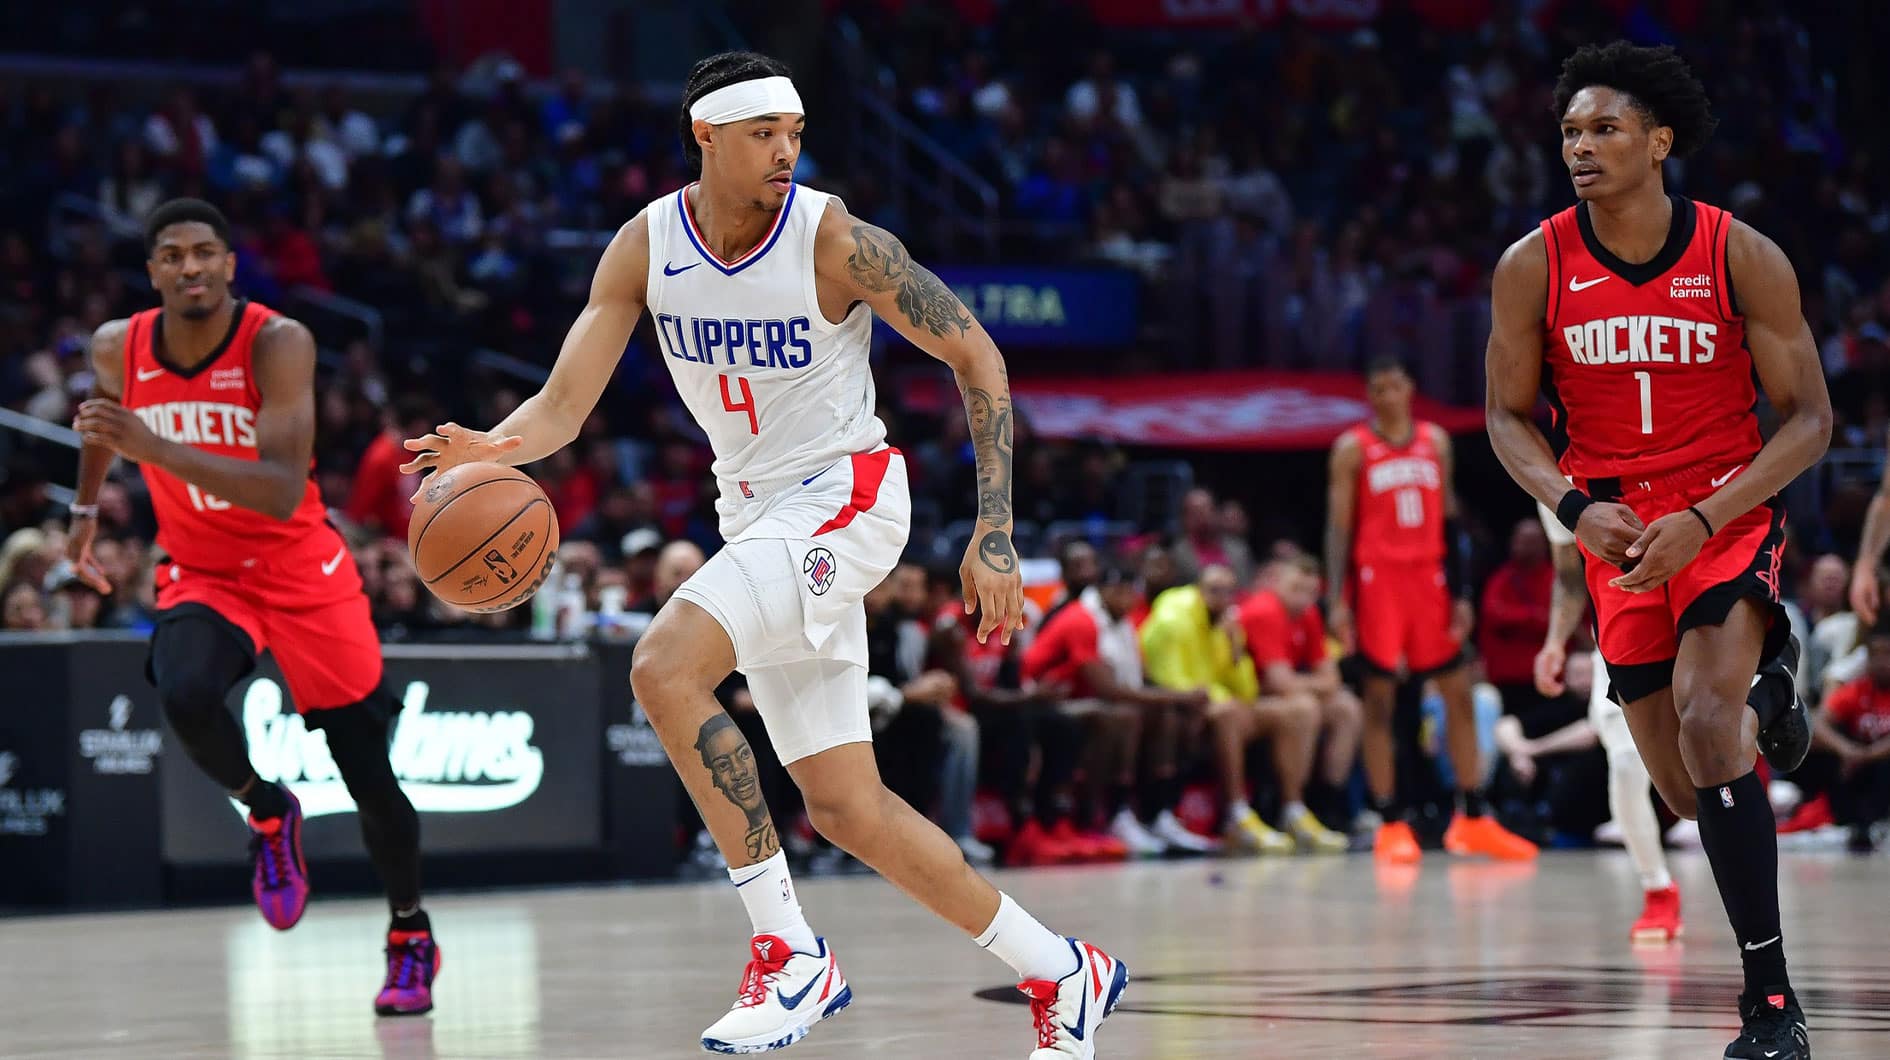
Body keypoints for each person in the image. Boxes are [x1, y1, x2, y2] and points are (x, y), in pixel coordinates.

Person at [399, 52, 1124, 1057]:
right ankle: (1063, 969)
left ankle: (790, 954)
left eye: (793, 130)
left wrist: (993, 530)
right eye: (761, 134)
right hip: (756, 516)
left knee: (664, 665)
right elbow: (564, 405)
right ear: (706, 137)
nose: (785, 149)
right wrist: (491, 447)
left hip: (847, 497)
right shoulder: (644, 247)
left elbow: (976, 354)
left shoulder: (834, 238)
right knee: (848, 809)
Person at [1486, 43, 1824, 1058]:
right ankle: (1779, 692)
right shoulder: (1533, 264)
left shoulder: (1739, 253)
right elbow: (1506, 419)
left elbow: (1809, 420)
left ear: (1660, 142)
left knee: (1709, 724)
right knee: (1684, 790)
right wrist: (1571, 502)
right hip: (1617, 529)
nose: (1581, 148)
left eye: (1606, 130)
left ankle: (1770, 1003)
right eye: (1571, 133)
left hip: (1722, 511)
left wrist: (1714, 515)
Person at [67, 198, 437, 1016]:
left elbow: (277, 490)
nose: (190, 267)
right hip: (205, 569)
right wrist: (86, 513)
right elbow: (101, 423)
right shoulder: (116, 346)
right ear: (154, 269)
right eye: (172, 255)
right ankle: (268, 810)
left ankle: (410, 935)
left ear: (230, 264)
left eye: (205, 252)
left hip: (302, 567)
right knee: (186, 691)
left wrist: (151, 447)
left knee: (371, 778)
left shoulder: (277, 342)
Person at [1327, 358, 1539, 864]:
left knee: (1459, 694)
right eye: (1376, 388)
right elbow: (1338, 530)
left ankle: (1472, 817)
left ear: (1410, 388)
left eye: (1393, 385)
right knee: (1381, 700)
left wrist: (1462, 593)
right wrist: (1337, 600)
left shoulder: (1435, 441)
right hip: (1378, 579)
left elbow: (1450, 522)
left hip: (1430, 578)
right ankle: (1389, 821)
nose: (1386, 396)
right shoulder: (1352, 449)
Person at [1533, 502, 1682, 944]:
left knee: (1717, 756)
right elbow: (1568, 572)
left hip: (1698, 610)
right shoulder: (1555, 477)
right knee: (1624, 763)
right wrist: (1556, 641)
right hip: (1621, 630)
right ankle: (1657, 888)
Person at [1021, 560, 1215, 858]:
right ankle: (1107, 815)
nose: (1128, 600)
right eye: (1120, 592)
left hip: (1083, 699)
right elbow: (1107, 689)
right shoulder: (1081, 620)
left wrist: (1175, 700)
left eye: (1131, 592)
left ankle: (1157, 813)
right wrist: (1178, 696)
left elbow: (1136, 680)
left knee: (1163, 715)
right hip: (1045, 699)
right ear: (1103, 591)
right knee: (1123, 717)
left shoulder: (1123, 624)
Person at [1141, 565, 1329, 854]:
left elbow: (1246, 689)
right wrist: (1223, 699)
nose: (1223, 598)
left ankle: (1293, 809)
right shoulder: (1173, 619)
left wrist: (1235, 649)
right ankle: (1237, 815)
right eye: (1215, 590)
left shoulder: (1225, 623)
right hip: (1181, 707)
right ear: (1197, 590)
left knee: (1297, 710)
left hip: (1220, 702)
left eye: (1230, 591)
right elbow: (1172, 682)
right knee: (1229, 714)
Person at [1238, 554, 1363, 840]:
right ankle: (1291, 808)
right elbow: (1277, 683)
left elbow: (1332, 678)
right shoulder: (1264, 611)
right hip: (1247, 697)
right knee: (1303, 709)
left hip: (1285, 694)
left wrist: (1309, 684)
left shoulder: (1308, 615)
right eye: (1296, 589)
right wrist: (1316, 685)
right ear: (1275, 583)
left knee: (1347, 707)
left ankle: (1331, 807)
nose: (1303, 599)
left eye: (1311, 592)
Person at [1811, 628, 1890, 853]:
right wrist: (1846, 749)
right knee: (1825, 755)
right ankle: (1847, 822)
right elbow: (1818, 722)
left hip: (1880, 761)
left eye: (1888, 654)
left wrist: (1868, 754)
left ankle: (1876, 822)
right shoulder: (1857, 689)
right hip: (1856, 760)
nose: (1883, 662)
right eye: (1877, 655)